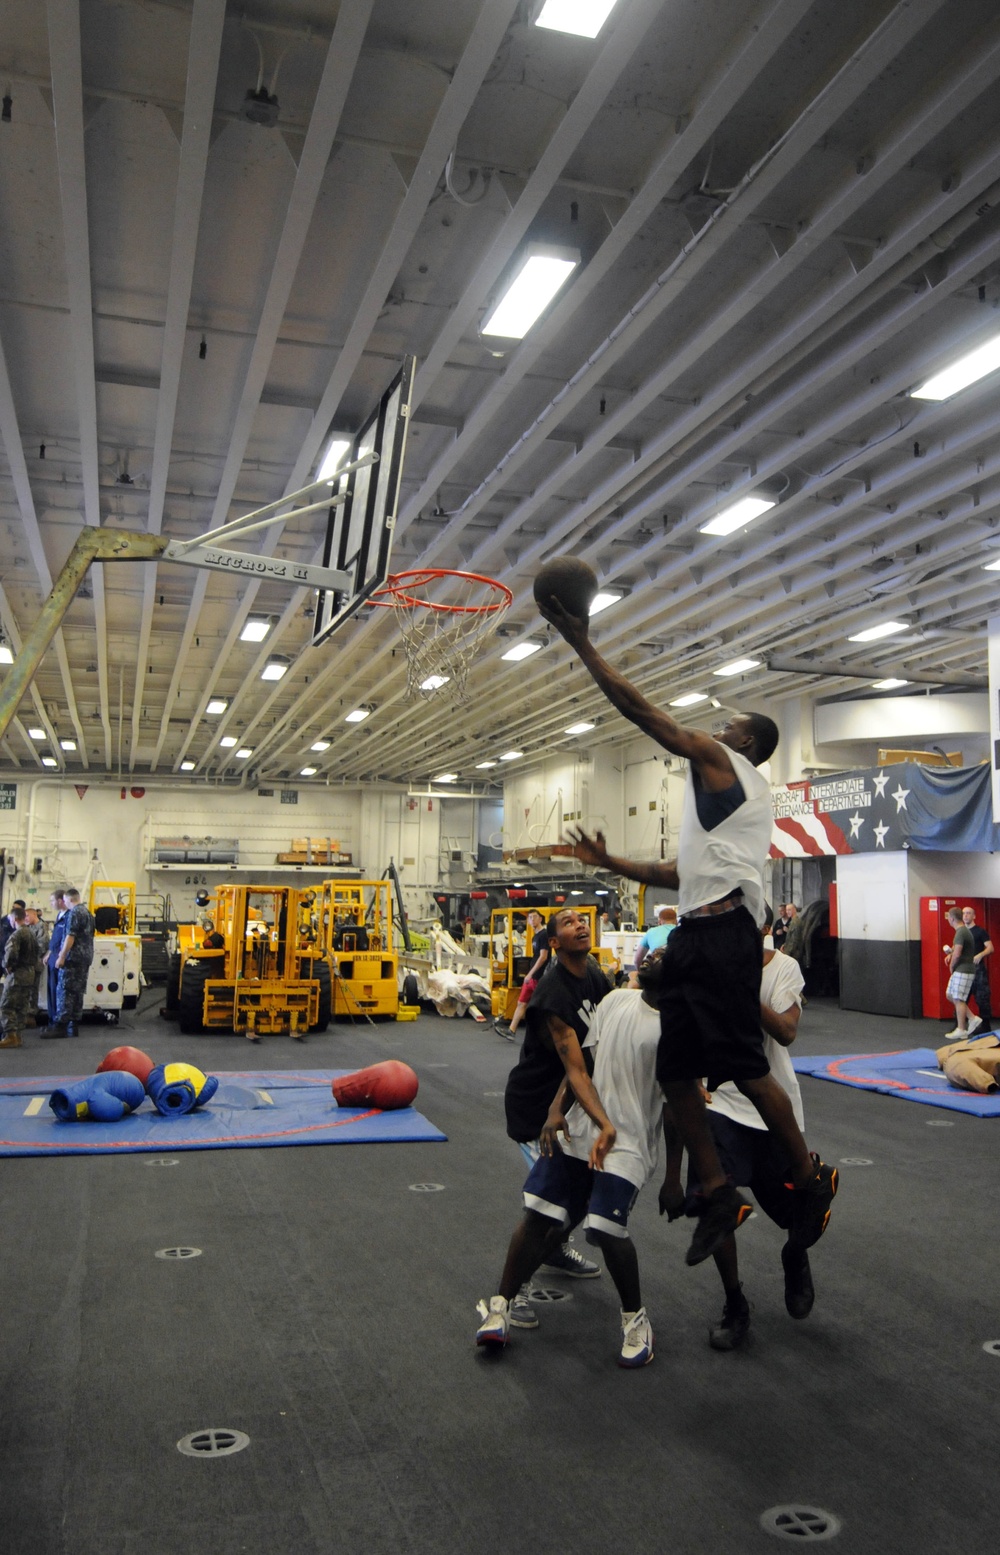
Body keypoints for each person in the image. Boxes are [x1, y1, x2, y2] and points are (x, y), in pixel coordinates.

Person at [538, 591, 837, 1267]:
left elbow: (644, 713)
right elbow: (677, 871)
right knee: (676, 1071)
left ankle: (809, 1175)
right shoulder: (726, 807)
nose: (718, 728)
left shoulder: (724, 764)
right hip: (697, 931)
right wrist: (606, 859)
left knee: (743, 1064)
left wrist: (583, 642)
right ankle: (718, 1188)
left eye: (729, 725)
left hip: (727, 929)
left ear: (746, 743)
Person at [477, 951, 667, 1364]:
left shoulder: (678, 1026)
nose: (653, 954)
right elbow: (582, 1064)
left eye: (668, 954)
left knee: (603, 1227)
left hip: (628, 1140)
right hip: (582, 1125)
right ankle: (500, 1306)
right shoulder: (616, 1000)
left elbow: (683, 1105)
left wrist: (678, 1178)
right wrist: (557, 1108)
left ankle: (636, 1320)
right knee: (539, 1214)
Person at [660, 905, 816, 1350]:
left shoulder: (783, 967)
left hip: (770, 1104)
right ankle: (735, 1304)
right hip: (722, 1103)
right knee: (716, 1205)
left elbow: (786, 1032)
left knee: (797, 1209)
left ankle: (795, 1254)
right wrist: (673, 1173)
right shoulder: (703, 966)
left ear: (763, 930)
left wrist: (739, 990)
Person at [486, 908, 615, 1332]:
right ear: (554, 943)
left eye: (582, 920)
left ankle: (555, 1251)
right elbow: (572, 1067)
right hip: (538, 1110)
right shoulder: (551, 992)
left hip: (570, 1106)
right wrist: (557, 1109)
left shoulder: (595, 975)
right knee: (545, 1206)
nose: (580, 925)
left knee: (576, 1196)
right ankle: (513, 1290)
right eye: (569, 923)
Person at [42, 887, 94, 1039]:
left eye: (65, 901)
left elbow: (70, 937)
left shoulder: (74, 913)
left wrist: (62, 956)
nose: (64, 903)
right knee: (78, 991)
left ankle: (61, 1026)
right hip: (85, 958)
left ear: (70, 900)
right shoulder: (88, 914)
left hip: (72, 959)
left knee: (64, 991)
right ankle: (73, 1025)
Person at [496, 909, 549, 1042]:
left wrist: (530, 974)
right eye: (529, 917)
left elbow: (543, 957)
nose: (531, 920)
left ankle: (544, 1035)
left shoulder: (544, 935)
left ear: (540, 919)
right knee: (521, 1003)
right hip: (531, 977)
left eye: (534, 917)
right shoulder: (534, 936)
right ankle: (511, 1030)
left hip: (538, 977)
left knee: (539, 1007)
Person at [0, 906, 43, 1049]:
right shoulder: (31, 932)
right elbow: (38, 951)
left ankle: (10, 1035)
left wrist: (7, 965)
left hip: (17, 974)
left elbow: (10, 954)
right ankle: (17, 1035)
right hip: (30, 973)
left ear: (14, 919)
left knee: (7, 1005)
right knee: (22, 1006)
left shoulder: (17, 935)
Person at [943, 906, 979, 1039]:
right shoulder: (963, 931)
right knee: (950, 995)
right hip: (962, 969)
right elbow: (957, 950)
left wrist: (952, 965)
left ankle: (961, 1029)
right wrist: (950, 953)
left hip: (963, 970)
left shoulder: (961, 932)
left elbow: (957, 953)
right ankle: (972, 1018)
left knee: (959, 998)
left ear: (951, 919)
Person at [962, 905, 993, 1033]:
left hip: (977, 969)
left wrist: (980, 954)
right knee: (962, 997)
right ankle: (960, 1025)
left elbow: (990, 948)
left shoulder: (980, 931)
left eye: (968, 913)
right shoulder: (961, 932)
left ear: (974, 916)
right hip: (964, 968)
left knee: (982, 997)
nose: (965, 916)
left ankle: (985, 1026)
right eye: (964, 913)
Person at [43, 888, 68, 1023]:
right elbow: (55, 938)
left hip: (60, 958)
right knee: (51, 989)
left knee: (59, 990)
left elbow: (68, 939)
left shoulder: (69, 917)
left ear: (60, 900)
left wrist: (61, 956)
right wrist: (49, 952)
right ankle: (52, 1018)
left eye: (52, 901)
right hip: (53, 956)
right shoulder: (59, 915)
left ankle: (58, 1020)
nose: (51, 903)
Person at [24, 907, 49, 1027]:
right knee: (26, 989)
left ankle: (31, 1015)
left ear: (34, 915)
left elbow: (42, 945)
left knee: (33, 990)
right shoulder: (28, 927)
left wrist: (28, 955)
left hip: (35, 962)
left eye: (27, 916)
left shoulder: (41, 926)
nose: (25, 919)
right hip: (27, 963)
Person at [633, 905, 677, 971]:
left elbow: (637, 960)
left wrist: (640, 975)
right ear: (676, 921)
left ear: (659, 922)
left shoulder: (651, 931)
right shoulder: (683, 932)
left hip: (657, 974)